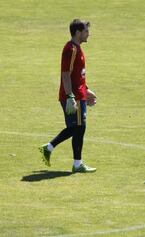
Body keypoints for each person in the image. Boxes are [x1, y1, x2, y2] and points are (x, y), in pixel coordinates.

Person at [38, 19, 97, 173]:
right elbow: (66, 74)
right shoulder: (71, 49)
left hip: (78, 94)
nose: (88, 34)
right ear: (78, 33)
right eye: (85, 31)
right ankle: (54, 150)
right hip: (73, 96)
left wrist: (87, 90)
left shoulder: (77, 48)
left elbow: (78, 75)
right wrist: (70, 96)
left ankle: (72, 160)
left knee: (78, 128)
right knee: (78, 128)